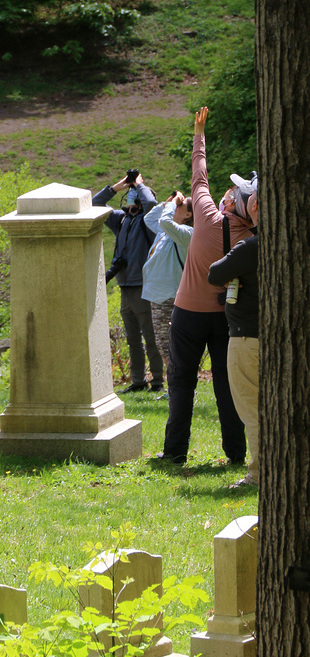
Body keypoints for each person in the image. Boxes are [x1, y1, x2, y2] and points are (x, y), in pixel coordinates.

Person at [158, 107, 255, 464]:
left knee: (181, 379)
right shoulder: (252, 236)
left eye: (231, 190)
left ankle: (174, 453)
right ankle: (235, 453)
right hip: (226, 317)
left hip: (187, 314)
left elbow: (199, 178)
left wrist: (199, 135)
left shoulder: (206, 215)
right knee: (225, 386)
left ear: (229, 202)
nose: (225, 191)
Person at [93, 170, 164, 393]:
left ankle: (158, 382)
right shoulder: (120, 220)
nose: (133, 196)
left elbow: (152, 203)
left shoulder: (150, 221)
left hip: (143, 286)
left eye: (136, 194)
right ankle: (138, 381)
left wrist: (140, 184)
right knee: (133, 339)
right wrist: (120, 186)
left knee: (150, 338)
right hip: (125, 285)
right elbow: (94, 205)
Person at [208, 187, 259, 487]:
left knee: (252, 409)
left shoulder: (249, 247)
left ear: (254, 207)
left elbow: (215, 273)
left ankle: (260, 473)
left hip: (246, 341)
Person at [142, 191, 194, 367]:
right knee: (164, 346)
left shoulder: (187, 233)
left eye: (180, 205)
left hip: (169, 296)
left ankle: (178, 388)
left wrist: (172, 206)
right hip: (158, 296)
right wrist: (167, 204)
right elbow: (149, 220)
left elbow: (164, 221)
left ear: (188, 215)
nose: (175, 206)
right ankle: (175, 388)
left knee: (169, 346)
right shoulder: (167, 231)